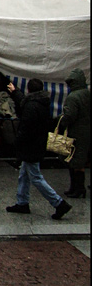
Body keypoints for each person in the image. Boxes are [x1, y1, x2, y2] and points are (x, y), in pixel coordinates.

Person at [6, 78, 72, 219]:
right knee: (24, 174)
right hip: (38, 143)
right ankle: (22, 202)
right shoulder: (41, 103)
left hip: (31, 146)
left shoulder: (31, 106)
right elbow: (25, 102)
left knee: (35, 177)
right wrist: (15, 92)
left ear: (29, 90)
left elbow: (26, 127)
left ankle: (59, 203)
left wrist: (17, 142)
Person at [59, 68, 89, 198]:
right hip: (87, 132)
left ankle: (77, 188)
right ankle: (78, 188)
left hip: (76, 132)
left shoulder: (73, 97)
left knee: (73, 160)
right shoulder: (87, 93)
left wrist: (60, 124)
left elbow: (69, 116)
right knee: (80, 160)